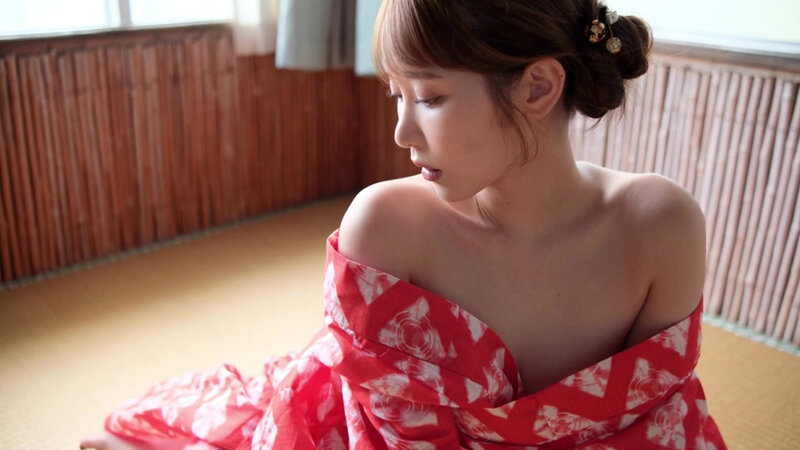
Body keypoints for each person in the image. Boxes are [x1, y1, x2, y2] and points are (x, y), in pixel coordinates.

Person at [82, 0, 725, 448]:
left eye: (430, 97)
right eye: (397, 95)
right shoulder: (387, 226)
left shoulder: (660, 228)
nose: (402, 132)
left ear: (537, 88)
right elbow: (393, 432)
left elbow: (657, 426)